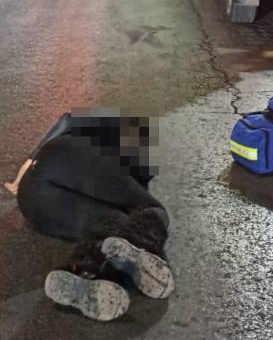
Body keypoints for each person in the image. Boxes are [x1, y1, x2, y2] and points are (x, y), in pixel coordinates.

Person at [11, 112, 175, 321]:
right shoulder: (132, 144)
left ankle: (84, 273)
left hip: (31, 202)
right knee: (151, 210)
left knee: (115, 226)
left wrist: (29, 160)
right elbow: (69, 120)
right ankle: (99, 265)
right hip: (62, 160)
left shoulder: (117, 144)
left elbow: (67, 120)